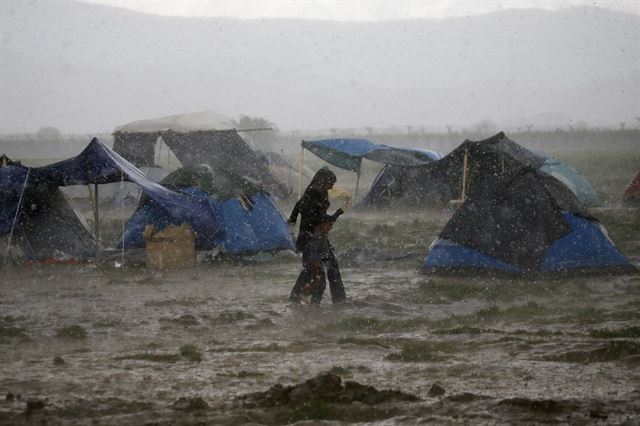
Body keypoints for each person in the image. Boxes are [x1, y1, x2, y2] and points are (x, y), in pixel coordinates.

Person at [288, 168, 346, 304]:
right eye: (331, 182)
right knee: (319, 272)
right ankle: (316, 301)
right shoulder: (315, 191)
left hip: (316, 235)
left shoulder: (318, 190)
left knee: (324, 269)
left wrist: (293, 218)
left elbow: (299, 205)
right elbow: (314, 214)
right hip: (311, 235)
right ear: (324, 180)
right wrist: (332, 217)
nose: (332, 186)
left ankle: (303, 300)